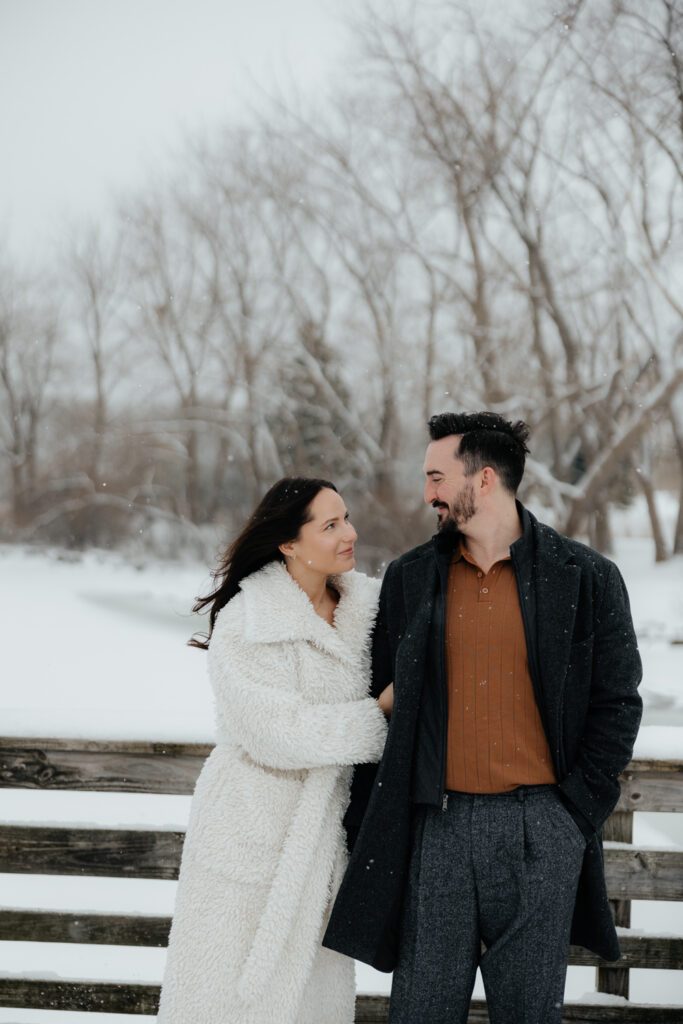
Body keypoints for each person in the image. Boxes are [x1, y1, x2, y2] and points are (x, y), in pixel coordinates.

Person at [324, 412, 643, 1024]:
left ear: (486, 479)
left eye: (437, 478)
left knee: (528, 1014)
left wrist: (572, 814)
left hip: (541, 832)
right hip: (435, 831)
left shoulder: (588, 578)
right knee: (421, 1011)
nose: (427, 495)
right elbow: (382, 701)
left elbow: (617, 703)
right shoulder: (411, 579)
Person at [157, 477, 391, 1024]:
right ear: (288, 542)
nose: (350, 534)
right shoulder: (250, 621)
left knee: (311, 1000)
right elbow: (277, 733)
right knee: (226, 998)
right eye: (330, 525)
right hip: (250, 831)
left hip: (324, 840)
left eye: (347, 518)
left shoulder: (369, 607)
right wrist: (378, 718)